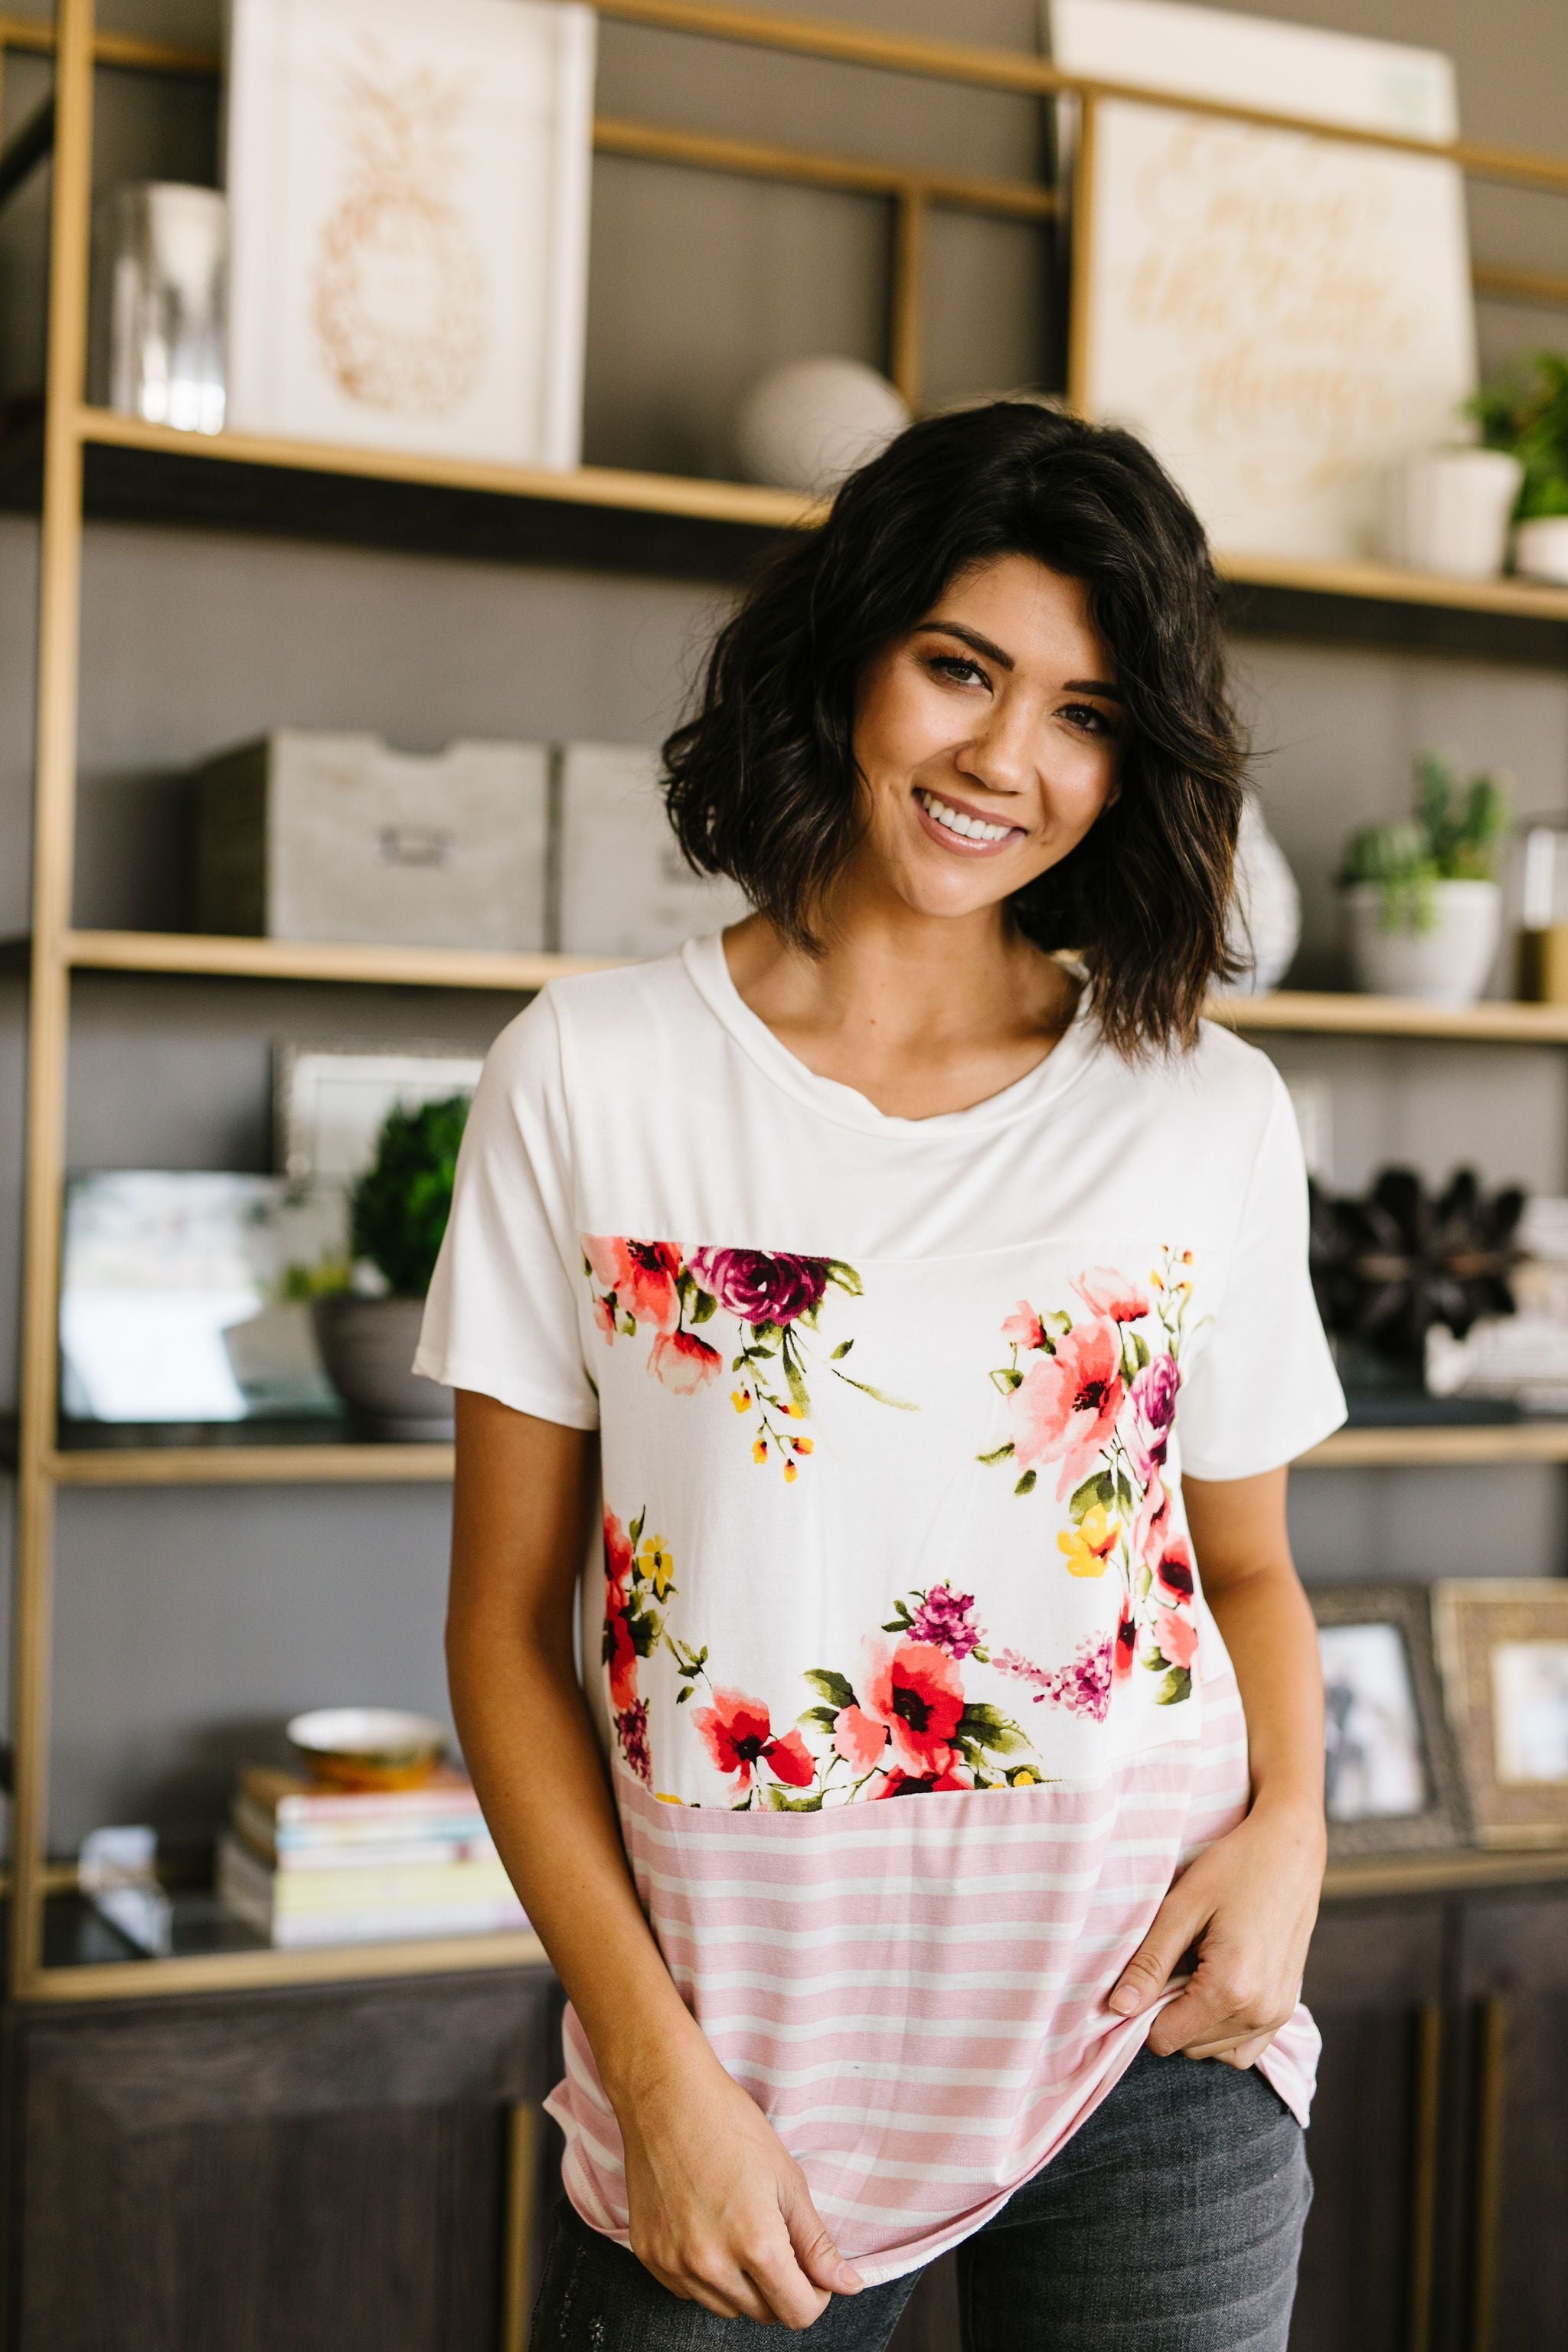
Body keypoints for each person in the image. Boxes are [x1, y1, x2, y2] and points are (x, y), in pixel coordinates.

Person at [417, 400, 1347, 2352]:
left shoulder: (1206, 1112)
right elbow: (507, 1632)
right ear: (850, 654)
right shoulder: (591, 1074)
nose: (1006, 760)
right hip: (738, 2080)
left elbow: (1243, 1570)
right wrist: (655, 2081)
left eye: (1086, 714)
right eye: (960, 669)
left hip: (1152, 2040)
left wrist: (1291, 1843)